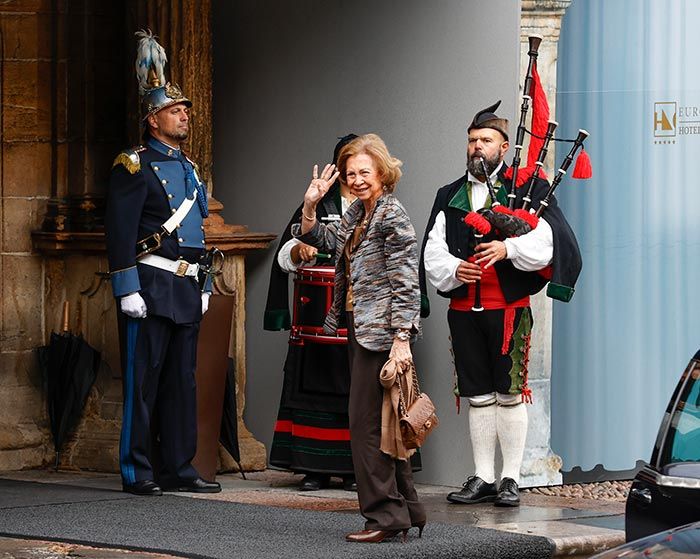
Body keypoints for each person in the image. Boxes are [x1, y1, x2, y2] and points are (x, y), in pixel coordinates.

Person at [420, 101, 581, 507]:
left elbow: (550, 240)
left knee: (509, 392)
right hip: (463, 311)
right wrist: (457, 269)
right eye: (472, 141)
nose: (477, 147)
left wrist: (507, 248)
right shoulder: (449, 195)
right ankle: (483, 477)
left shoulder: (530, 190)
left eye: (485, 141)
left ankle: (510, 478)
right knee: (477, 393)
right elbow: (432, 251)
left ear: (503, 147)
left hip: (508, 309)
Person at [295, 134, 426, 543]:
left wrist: (402, 338)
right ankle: (408, 510)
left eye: (364, 172)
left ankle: (386, 517)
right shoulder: (358, 214)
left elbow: (407, 281)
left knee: (366, 423)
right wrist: (311, 206)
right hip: (361, 329)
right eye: (350, 174)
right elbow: (326, 243)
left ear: (383, 173)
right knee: (385, 422)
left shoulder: (391, 214)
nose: (356, 179)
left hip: (383, 335)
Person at [105, 31, 220, 496]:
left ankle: (178, 465)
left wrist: (205, 283)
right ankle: (137, 469)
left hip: (186, 286)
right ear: (153, 119)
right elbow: (118, 230)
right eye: (176, 110)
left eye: (186, 110)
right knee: (143, 380)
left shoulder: (190, 169)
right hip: (150, 283)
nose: (185, 115)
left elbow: (198, 231)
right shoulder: (132, 164)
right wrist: (125, 286)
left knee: (181, 382)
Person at [265, 134, 359, 492]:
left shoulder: (379, 204)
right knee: (312, 392)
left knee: (359, 391)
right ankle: (313, 467)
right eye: (346, 165)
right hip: (315, 323)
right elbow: (285, 252)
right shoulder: (317, 201)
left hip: (359, 320)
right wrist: (298, 251)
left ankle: (354, 469)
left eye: (359, 165)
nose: (353, 174)